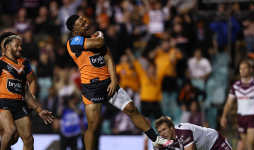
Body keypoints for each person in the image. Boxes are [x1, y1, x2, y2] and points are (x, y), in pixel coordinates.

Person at [65, 14, 173, 150]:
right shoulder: (73, 42)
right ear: (74, 30)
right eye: (81, 23)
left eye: (84, 20)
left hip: (109, 84)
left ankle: (156, 140)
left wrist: (114, 80)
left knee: (131, 109)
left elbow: (109, 58)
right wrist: (100, 36)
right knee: (93, 125)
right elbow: (99, 43)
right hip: (91, 88)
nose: (86, 23)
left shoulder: (93, 37)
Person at [0, 33, 54, 150]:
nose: (20, 48)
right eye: (17, 45)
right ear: (6, 46)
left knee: (27, 139)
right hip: (1, 102)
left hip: (19, 103)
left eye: (21, 45)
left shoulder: (24, 64)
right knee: (10, 132)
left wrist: (38, 110)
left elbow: (26, 90)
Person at [220, 60, 254, 150]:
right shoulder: (236, 86)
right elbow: (229, 103)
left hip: (253, 117)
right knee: (246, 145)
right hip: (241, 117)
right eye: (240, 68)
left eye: (245, 68)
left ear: (250, 69)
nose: (242, 70)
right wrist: (223, 116)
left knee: (250, 144)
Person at [155, 116, 232, 150]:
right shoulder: (164, 140)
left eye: (164, 129)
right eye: (159, 132)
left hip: (216, 143)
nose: (162, 133)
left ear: (171, 128)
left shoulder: (184, 132)